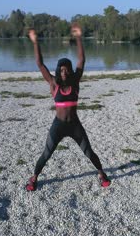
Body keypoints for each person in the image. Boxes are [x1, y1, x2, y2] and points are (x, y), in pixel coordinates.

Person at [25, 25, 111, 191]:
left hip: (74, 125)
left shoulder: (75, 82)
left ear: (70, 71)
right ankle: (34, 177)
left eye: (66, 70)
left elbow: (81, 60)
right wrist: (35, 42)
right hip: (58, 125)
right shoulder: (53, 83)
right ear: (58, 71)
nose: (64, 72)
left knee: (89, 152)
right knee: (46, 153)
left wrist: (79, 38)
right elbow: (40, 64)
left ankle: (101, 173)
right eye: (61, 70)